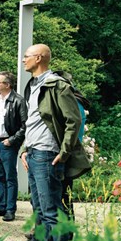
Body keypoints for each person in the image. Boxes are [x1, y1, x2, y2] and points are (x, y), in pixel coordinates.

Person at [19, 44, 92, 241]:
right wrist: (25, 149)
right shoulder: (33, 85)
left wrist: (64, 151)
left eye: (27, 56)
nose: (23, 60)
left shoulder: (57, 85)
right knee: (41, 211)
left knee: (52, 213)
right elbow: (33, 122)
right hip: (33, 153)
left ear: (39, 58)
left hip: (48, 154)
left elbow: (74, 119)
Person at [0, 71, 27, 222]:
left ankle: (10, 209)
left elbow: (25, 125)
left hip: (7, 144)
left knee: (10, 177)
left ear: (7, 85)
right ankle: (1, 206)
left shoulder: (18, 101)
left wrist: (12, 140)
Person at [52, 70, 90, 220]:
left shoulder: (72, 101)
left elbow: (72, 128)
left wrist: (63, 151)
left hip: (65, 152)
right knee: (63, 195)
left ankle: (65, 230)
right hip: (67, 151)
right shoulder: (76, 100)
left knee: (62, 196)